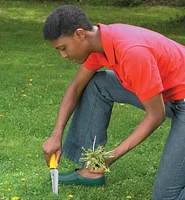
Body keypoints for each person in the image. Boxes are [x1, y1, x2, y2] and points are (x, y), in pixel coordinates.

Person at [42, 5, 185, 199]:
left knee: (166, 196)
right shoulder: (99, 44)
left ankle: (98, 164)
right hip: (169, 94)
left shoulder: (132, 52)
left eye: (63, 48)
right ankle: (91, 170)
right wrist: (56, 135)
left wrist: (112, 155)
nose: (64, 55)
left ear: (80, 34)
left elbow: (156, 115)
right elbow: (76, 87)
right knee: (98, 85)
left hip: (179, 100)